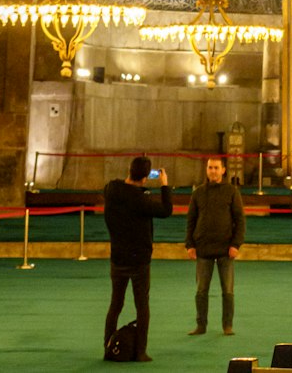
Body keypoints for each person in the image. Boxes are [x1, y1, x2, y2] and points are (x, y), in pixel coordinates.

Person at [103, 155, 173, 363]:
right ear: (144, 178)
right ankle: (141, 351)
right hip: (139, 260)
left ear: (129, 171)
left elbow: (115, 187)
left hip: (118, 258)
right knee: (142, 306)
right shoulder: (142, 200)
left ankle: (108, 346)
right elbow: (166, 210)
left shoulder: (112, 190)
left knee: (115, 304)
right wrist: (164, 185)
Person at [185, 155, 245, 336]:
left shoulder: (232, 192)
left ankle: (227, 326)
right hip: (203, 249)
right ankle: (201, 325)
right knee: (201, 291)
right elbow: (191, 220)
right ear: (207, 169)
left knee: (227, 291)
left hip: (226, 249)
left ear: (223, 170)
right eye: (210, 167)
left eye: (216, 168)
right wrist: (190, 245)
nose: (213, 171)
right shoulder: (198, 193)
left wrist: (236, 244)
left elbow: (240, 220)